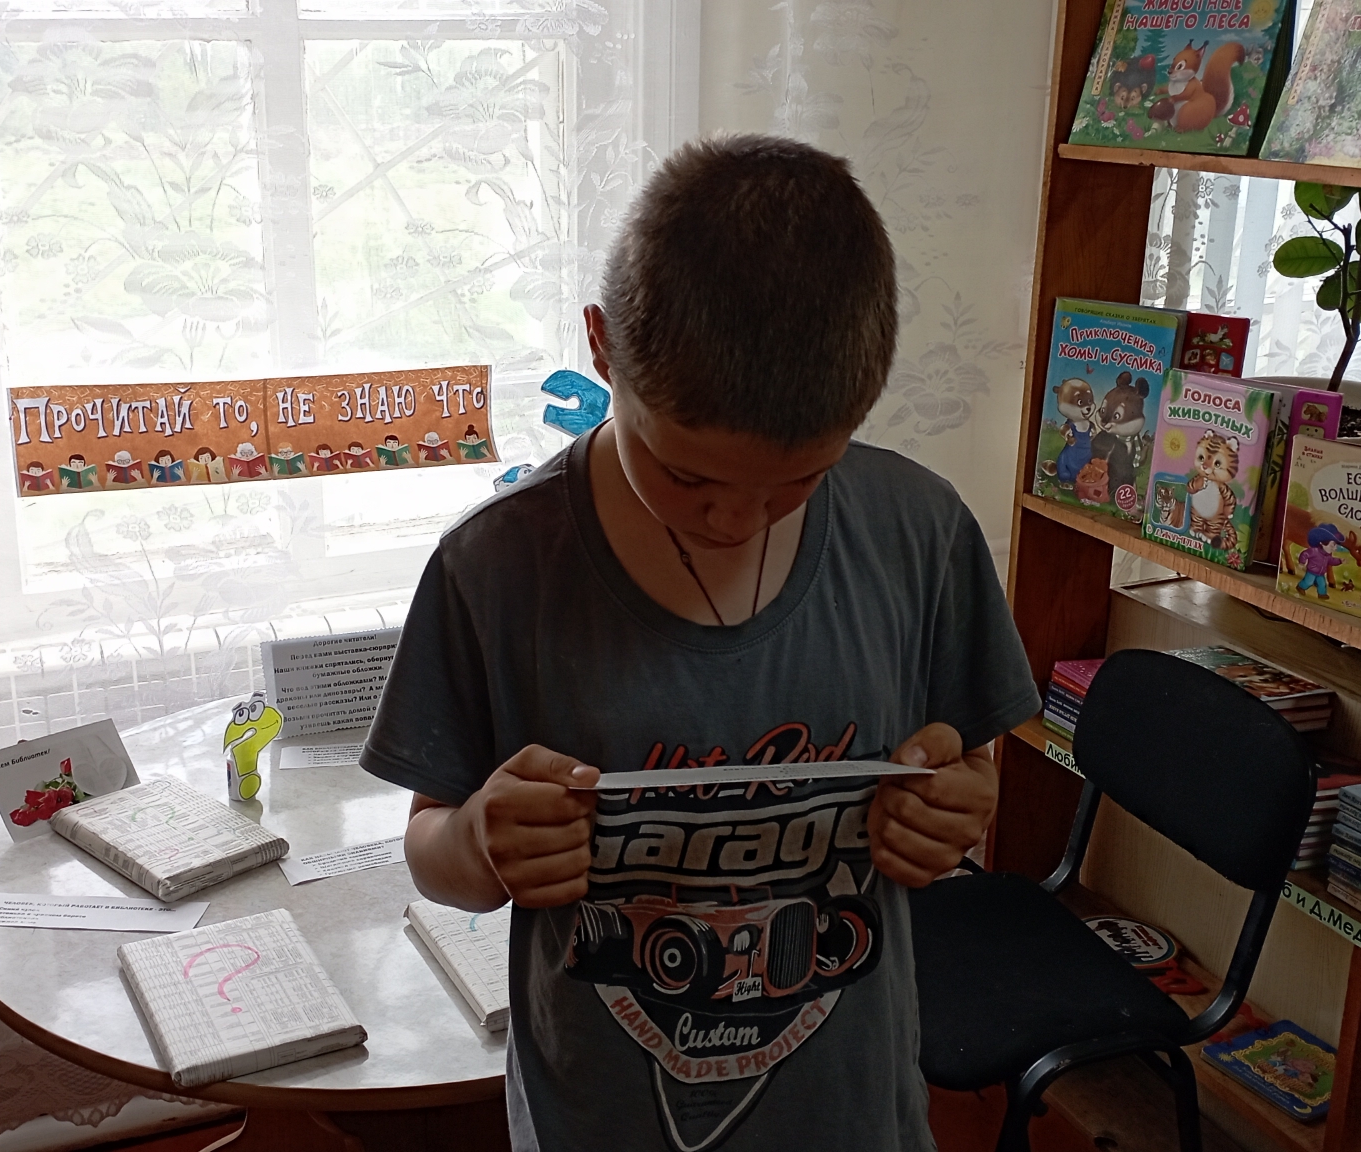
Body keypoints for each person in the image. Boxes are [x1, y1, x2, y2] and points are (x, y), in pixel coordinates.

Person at [361, 134, 1038, 1152]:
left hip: (853, 1117)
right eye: (686, 476)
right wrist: (480, 844)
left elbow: (967, 771)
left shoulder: (918, 533)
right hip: (596, 1122)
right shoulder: (493, 568)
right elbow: (432, 850)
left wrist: (953, 809)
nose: (736, 520)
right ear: (602, 348)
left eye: (800, 479)